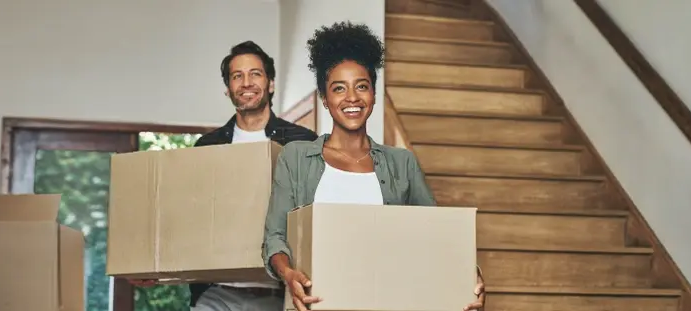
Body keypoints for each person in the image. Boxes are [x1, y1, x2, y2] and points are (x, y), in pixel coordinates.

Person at [261, 22, 487, 311]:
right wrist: (288, 274)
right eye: (339, 88)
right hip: (314, 304)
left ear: (374, 95)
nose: (352, 98)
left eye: (362, 86)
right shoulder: (295, 157)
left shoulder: (402, 163)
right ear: (325, 99)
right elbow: (275, 237)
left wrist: (471, 276)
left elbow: (436, 236)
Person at [130, 40, 318, 311]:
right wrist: (154, 265)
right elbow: (186, 216)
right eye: (237, 76)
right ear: (227, 89)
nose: (246, 82)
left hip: (279, 291)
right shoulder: (208, 146)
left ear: (271, 83)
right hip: (215, 293)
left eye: (255, 73)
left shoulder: (302, 142)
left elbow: (313, 212)